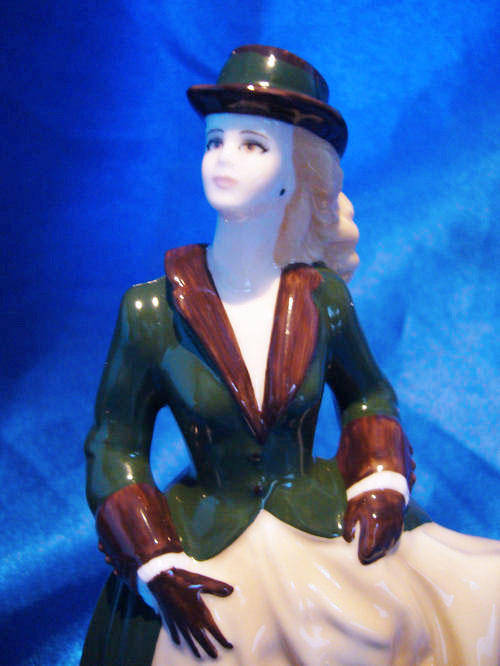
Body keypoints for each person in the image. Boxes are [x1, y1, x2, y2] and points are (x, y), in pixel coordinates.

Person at [82, 46, 500, 665]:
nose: (224, 158)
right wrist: (154, 559)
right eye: (215, 140)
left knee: (401, 622)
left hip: (317, 515)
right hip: (210, 532)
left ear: (295, 175)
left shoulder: (321, 298)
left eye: (252, 144)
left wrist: (380, 480)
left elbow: (367, 394)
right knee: (215, 647)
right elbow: (115, 443)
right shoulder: (150, 312)